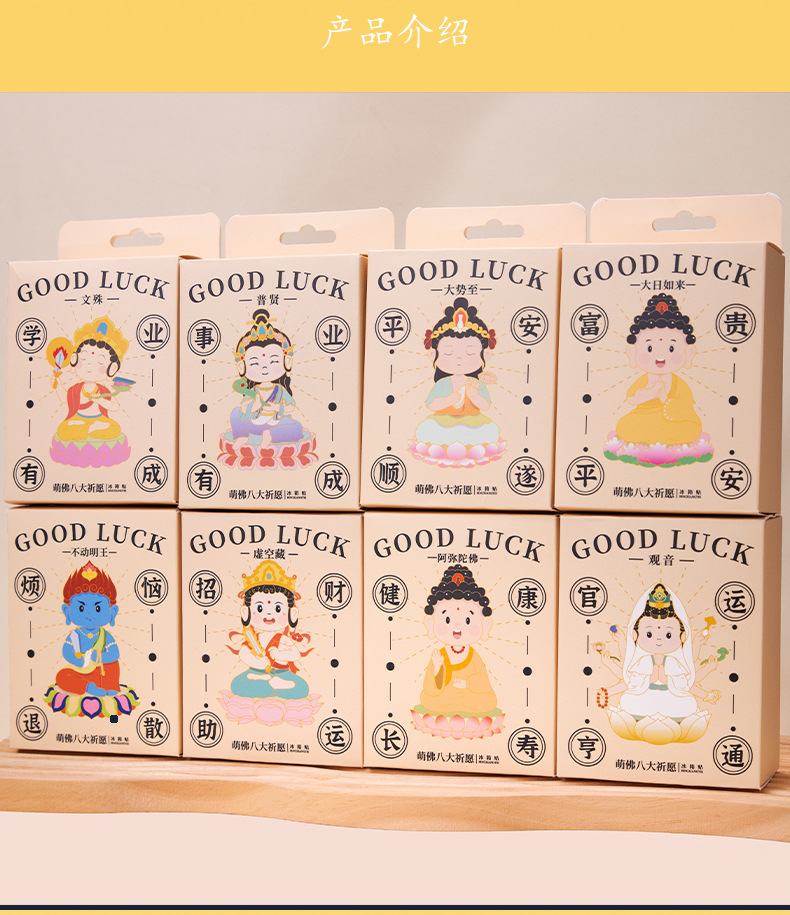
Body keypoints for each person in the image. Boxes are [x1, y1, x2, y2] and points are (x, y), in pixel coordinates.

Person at [604, 293, 713, 468]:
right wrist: (649, 393)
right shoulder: (644, 380)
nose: (660, 355)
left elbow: (685, 407)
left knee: (692, 429)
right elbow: (632, 399)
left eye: (671, 348)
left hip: (673, 423)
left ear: (688, 353)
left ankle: (658, 441)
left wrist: (664, 398)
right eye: (649, 348)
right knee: (625, 425)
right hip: (644, 419)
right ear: (633, 353)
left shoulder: (679, 384)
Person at [408, 298, 506, 468]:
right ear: (433, 355)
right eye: (449, 352)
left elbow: (485, 405)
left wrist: (474, 396)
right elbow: (432, 404)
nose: (459, 358)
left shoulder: (476, 384)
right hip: (442, 422)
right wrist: (448, 400)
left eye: (469, 352)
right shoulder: (443, 384)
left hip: (474, 422)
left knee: (490, 430)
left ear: (485, 355)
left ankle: (457, 449)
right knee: (425, 428)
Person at [45, 561, 139, 719]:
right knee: (62, 677)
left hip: (102, 673)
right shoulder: (75, 636)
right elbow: (67, 652)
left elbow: (114, 653)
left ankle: (109, 687)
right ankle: (88, 687)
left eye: (98, 608)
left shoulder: (105, 636)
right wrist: (80, 660)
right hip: (81, 672)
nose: (89, 614)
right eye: (81, 608)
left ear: (112, 612)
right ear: (67, 611)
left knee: (113, 665)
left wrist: (99, 657)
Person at [414, 564, 500, 721]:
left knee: (488, 701)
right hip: (443, 700)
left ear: (485, 625)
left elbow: (482, 682)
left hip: (469, 698)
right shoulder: (439, 655)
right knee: (428, 699)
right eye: (447, 619)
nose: (457, 626)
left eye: (468, 620)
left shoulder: (474, 656)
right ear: (430, 623)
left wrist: (467, 684)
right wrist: (438, 667)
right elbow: (432, 689)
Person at [51, 317, 133, 467]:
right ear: (75, 359)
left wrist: (99, 400)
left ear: (112, 368)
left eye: (100, 362)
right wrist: (58, 385)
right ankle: (83, 428)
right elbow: (64, 399)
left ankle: (90, 429)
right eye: (84, 359)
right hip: (77, 419)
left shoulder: (103, 391)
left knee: (114, 429)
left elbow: (114, 406)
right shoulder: (76, 389)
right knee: (64, 429)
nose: (90, 365)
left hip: (99, 421)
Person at [227, 559, 313, 699]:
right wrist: (256, 662)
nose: (268, 613)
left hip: (282, 674)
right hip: (257, 672)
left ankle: (274, 684)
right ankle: (265, 682)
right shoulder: (253, 637)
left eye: (278, 608)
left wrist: (280, 655)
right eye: (260, 608)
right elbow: (244, 653)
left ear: (292, 614)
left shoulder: (283, 639)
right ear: (245, 612)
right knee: (238, 684)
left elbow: (295, 655)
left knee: (302, 688)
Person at [226, 309, 308, 448]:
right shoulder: (253, 391)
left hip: (275, 422)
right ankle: (242, 436)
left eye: (273, 361)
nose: (264, 367)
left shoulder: (280, 390)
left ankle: (270, 434)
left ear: (287, 362)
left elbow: (291, 407)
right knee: (235, 412)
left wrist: (278, 407)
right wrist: (252, 407)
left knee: (296, 426)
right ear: (242, 366)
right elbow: (244, 411)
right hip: (254, 423)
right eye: (255, 363)